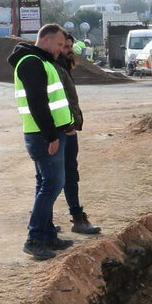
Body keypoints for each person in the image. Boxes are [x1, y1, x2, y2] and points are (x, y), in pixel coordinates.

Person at [9, 24, 75, 260]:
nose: (61, 49)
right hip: (43, 136)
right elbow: (38, 103)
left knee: (46, 184)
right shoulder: (31, 63)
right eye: (59, 44)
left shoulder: (42, 61)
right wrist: (51, 136)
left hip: (48, 134)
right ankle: (35, 237)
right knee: (52, 185)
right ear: (46, 40)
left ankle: (47, 235)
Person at [55, 33, 101, 236]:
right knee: (61, 177)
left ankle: (48, 220)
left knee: (61, 177)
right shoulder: (55, 69)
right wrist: (68, 127)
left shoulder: (63, 68)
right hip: (62, 131)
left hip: (66, 129)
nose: (69, 51)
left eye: (70, 47)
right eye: (65, 46)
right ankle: (75, 218)